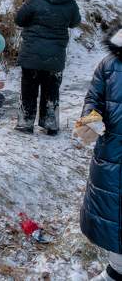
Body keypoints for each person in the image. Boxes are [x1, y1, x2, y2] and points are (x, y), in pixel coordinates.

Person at [14, 0, 81, 135]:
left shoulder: (34, 1)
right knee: (51, 90)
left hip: (31, 55)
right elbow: (75, 22)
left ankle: (26, 123)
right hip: (55, 56)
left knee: (28, 89)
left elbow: (19, 20)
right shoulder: (70, 3)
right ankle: (50, 124)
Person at [78, 26, 122, 281]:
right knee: (114, 215)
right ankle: (116, 271)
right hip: (112, 155)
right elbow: (93, 98)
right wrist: (91, 118)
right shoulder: (109, 65)